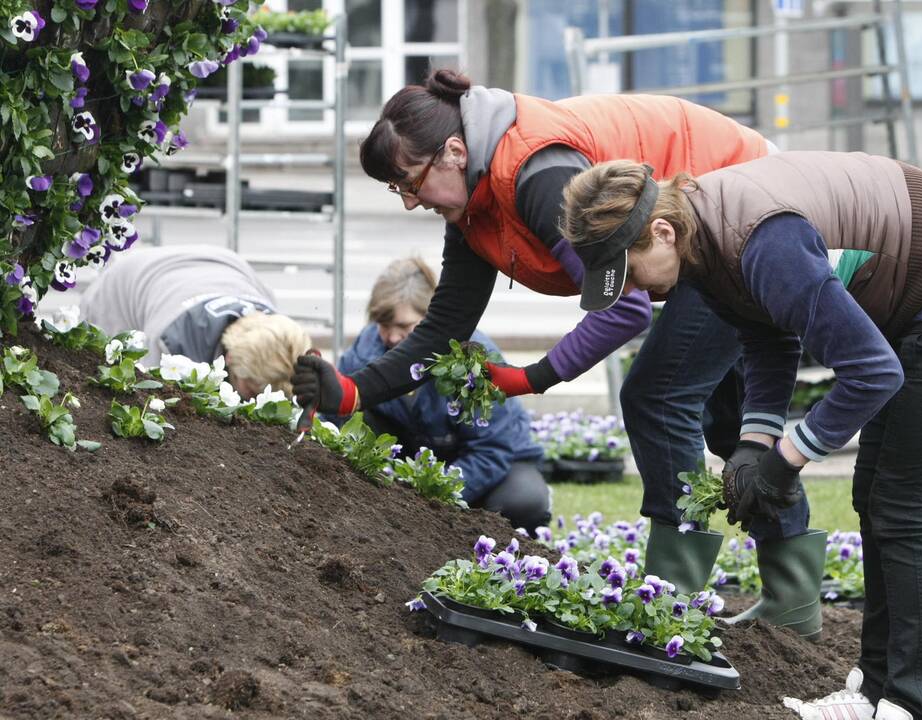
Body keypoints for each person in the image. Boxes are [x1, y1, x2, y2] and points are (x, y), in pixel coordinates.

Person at [291, 70, 819, 618]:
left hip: (740, 200)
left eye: (410, 182)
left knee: (658, 398)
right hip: (710, 217)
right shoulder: (476, 199)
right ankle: (792, 602)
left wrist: (529, 378)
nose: (408, 202)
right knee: (728, 419)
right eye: (396, 190)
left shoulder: (536, 175)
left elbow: (623, 305)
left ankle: (672, 604)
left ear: (452, 151)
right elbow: (444, 326)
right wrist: (352, 390)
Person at [560, 153, 922, 720]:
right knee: (873, 498)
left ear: (659, 231)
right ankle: (874, 686)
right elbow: (771, 334)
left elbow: (873, 372)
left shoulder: (761, 240)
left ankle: (907, 701)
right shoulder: (701, 244)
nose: (634, 289)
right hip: (916, 298)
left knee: (901, 507)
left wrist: (787, 459)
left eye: (628, 271)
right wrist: (756, 440)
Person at [331, 257, 550, 531]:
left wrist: (434, 494)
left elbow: (492, 449)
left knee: (523, 501)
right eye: (383, 325)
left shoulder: (473, 358)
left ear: (432, 317)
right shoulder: (366, 349)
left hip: (490, 462)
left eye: (404, 326)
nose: (391, 337)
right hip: (415, 458)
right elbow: (338, 416)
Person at [80, 244, 311, 398]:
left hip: (216, 263)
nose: (259, 397)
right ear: (230, 358)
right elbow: (150, 401)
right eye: (252, 389)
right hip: (122, 287)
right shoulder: (170, 341)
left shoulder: (274, 324)